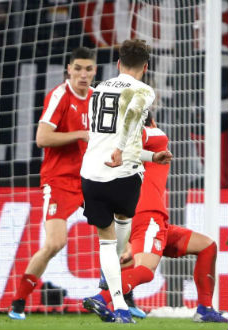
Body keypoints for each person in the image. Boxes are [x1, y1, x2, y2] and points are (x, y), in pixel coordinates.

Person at [86, 112, 227, 323]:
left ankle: (205, 309)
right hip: (148, 214)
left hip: (141, 217)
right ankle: (102, 298)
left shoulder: (115, 152)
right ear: (151, 121)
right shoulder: (156, 135)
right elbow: (137, 137)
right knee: (146, 270)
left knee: (207, 246)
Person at [8, 47, 96, 320]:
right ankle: (19, 303)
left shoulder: (96, 98)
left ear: (95, 71)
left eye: (89, 69)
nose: (83, 74)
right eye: (78, 68)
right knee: (55, 243)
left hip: (91, 179)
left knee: (119, 235)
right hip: (59, 181)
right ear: (68, 69)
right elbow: (42, 138)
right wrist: (80, 134)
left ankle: (122, 299)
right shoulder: (59, 96)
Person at [79, 39, 157, 323]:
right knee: (121, 230)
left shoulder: (99, 89)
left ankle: (118, 306)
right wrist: (122, 149)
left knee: (106, 244)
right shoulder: (144, 89)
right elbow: (134, 113)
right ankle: (112, 291)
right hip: (123, 173)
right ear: (145, 67)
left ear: (117, 64)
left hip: (91, 174)